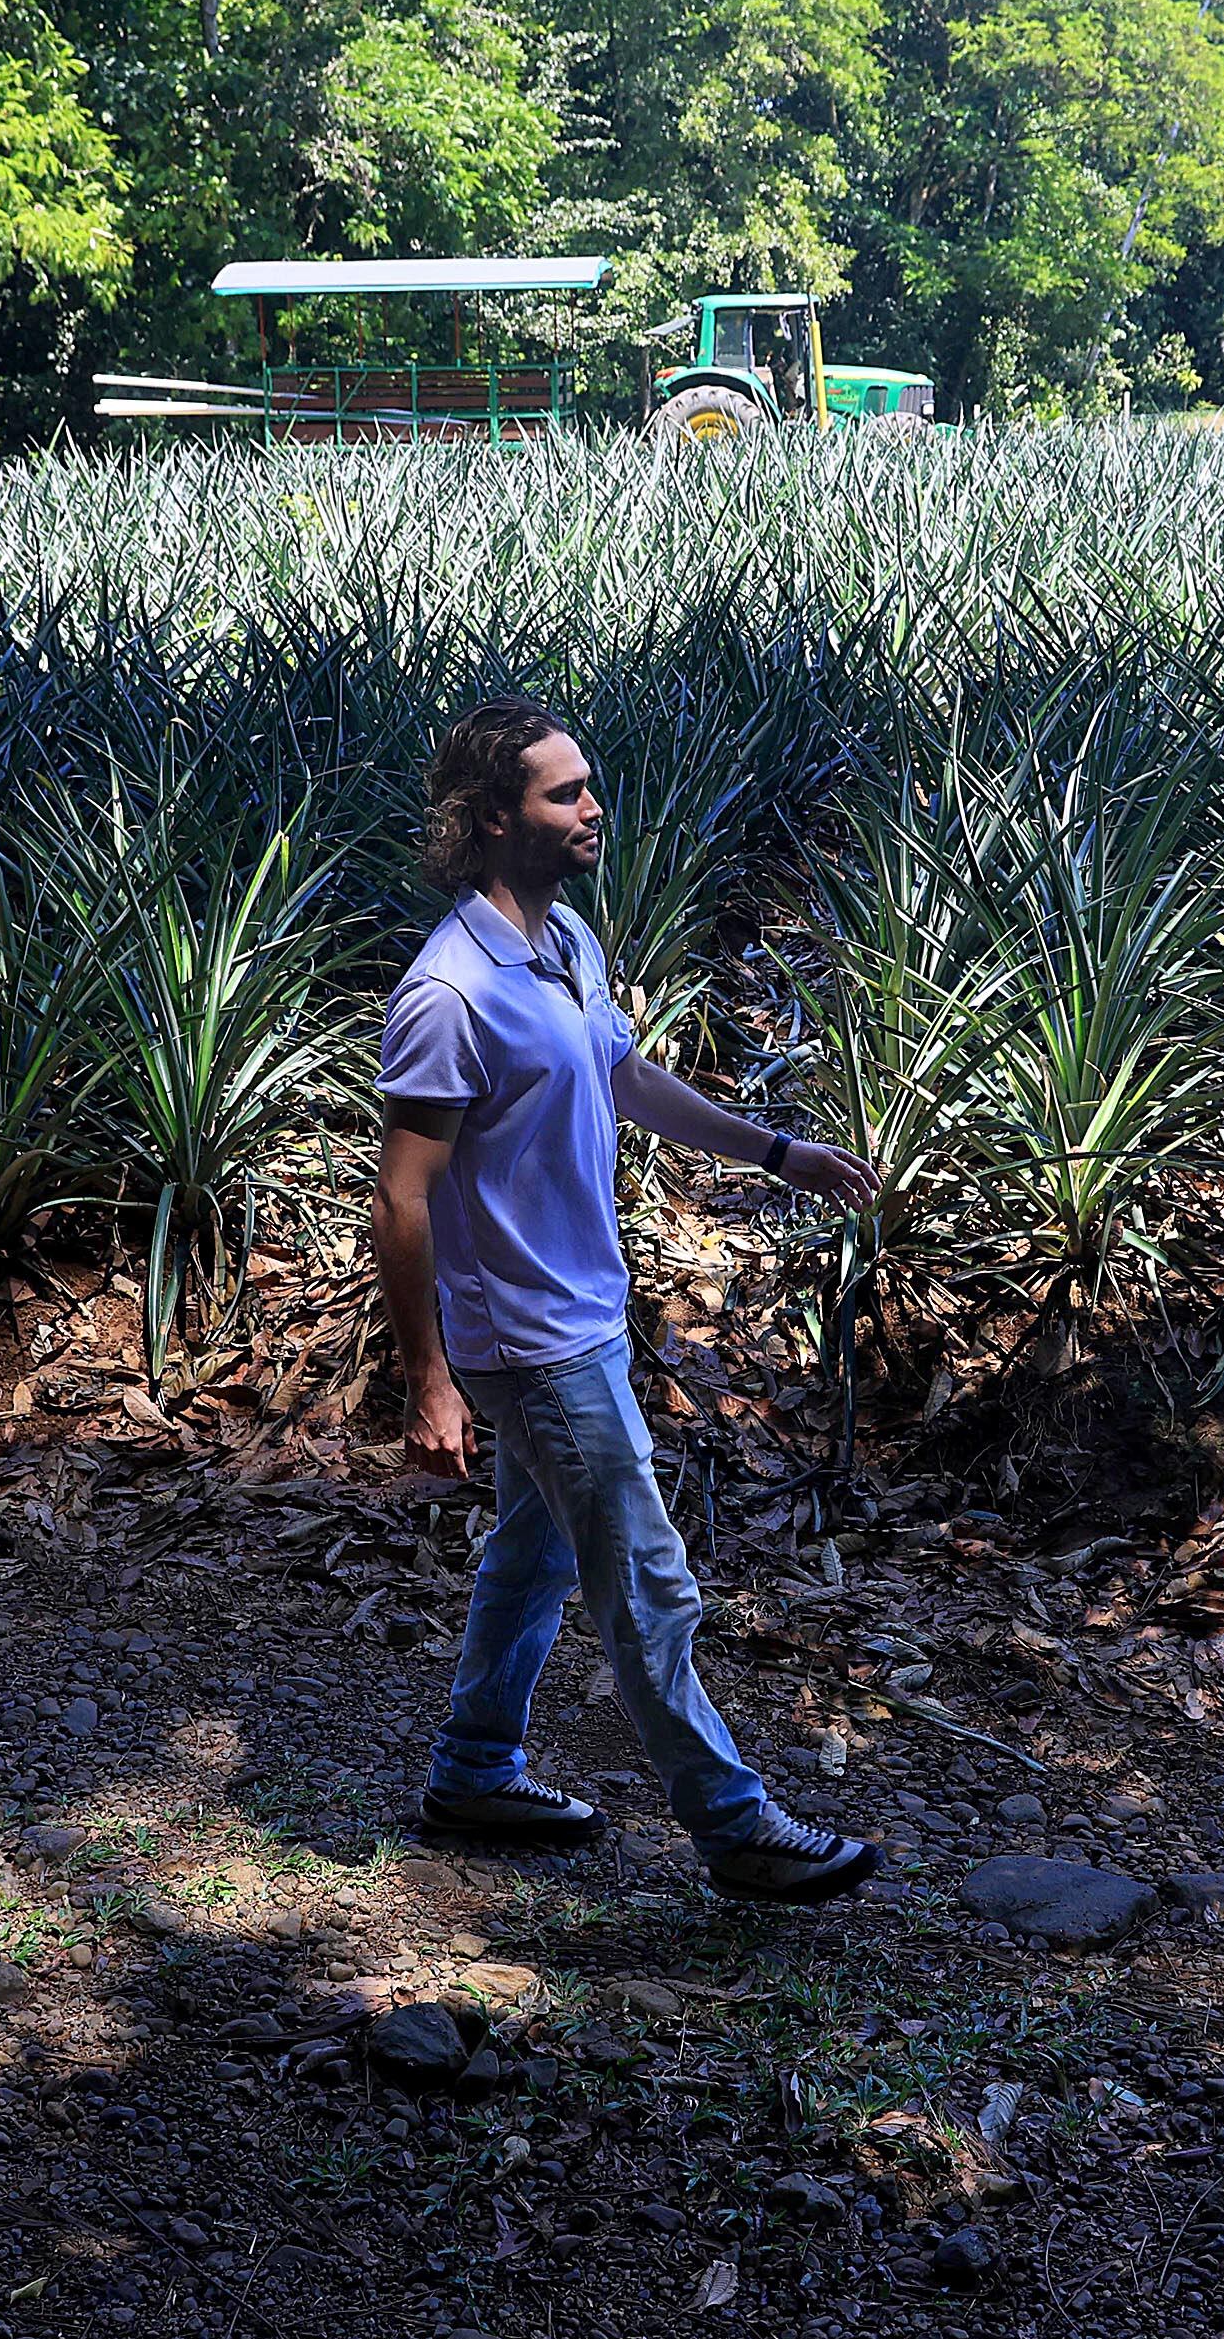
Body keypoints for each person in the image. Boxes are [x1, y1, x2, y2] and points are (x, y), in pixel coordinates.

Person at [373, 695, 884, 1904]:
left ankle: (473, 1771)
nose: (593, 808)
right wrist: (428, 1379)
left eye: (588, 786)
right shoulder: (448, 992)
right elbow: (402, 1197)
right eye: (565, 793)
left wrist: (771, 1150)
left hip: (581, 1316)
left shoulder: (562, 943)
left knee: (533, 1554)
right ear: (495, 817)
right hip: (527, 1337)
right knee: (648, 1580)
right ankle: (736, 1826)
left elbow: (623, 1073)